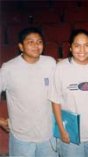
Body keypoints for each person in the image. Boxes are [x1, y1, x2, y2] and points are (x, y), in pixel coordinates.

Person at [49, 29, 88, 157]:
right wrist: (61, 129)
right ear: (71, 47)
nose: (82, 50)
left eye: (86, 45)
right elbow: (55, 101)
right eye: (77, 46)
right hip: (71, 133)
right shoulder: (61, 68)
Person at [0, 27, 57, 156]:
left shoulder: (50, 63)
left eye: (39, 42)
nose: (36, 46)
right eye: (30, 42)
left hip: (48, 134)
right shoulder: (9, 68)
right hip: (21, 137)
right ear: (21, 46)